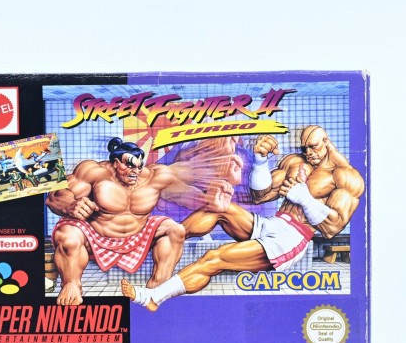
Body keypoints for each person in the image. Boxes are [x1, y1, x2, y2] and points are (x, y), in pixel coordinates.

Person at [122, 126, 365, 311]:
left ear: (327, 142)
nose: (309, 153)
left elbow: (332, 228)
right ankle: (159, 241)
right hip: (275, 222)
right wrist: (260, 162)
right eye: (304, 148)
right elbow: (260, 196)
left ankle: (153, 297)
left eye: (313, 147)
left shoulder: (346, 176)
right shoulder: (296, 162)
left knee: (214, 258)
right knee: (219, 208)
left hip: (291, 238)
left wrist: (305, 199)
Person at [46, 137, 240, 306]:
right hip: (96, 236)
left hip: (138, 237)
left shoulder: (155, 177)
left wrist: (208, 199)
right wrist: (71, 205)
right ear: (115, 163)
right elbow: (55, 196)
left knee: (175, 229)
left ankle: (158, 287)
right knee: (67, 234)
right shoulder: (93, 172)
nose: (135, 172)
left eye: (139, 166)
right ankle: (71, 284)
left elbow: (184, 195)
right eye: (129, 166)